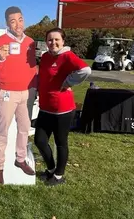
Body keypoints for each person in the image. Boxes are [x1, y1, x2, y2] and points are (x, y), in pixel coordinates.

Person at [34, 28, 91, 186]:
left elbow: (86, 70)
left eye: (56, 39)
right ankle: (52, 168)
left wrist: (68, 82)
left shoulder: (67, 56)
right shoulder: (45, 56)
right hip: (45, 107)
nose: (53, 43)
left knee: (61, 142)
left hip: (62, 109)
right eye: (50, 40)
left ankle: (59, 175)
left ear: (63, 41)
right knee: (40, 140)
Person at [0, 6, 37, 184]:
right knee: (2, 131)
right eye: (13, 21)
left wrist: (35, 87)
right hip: (6, 92)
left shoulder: (30, 42)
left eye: (20, 19)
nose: (17, 24)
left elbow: (32, 67)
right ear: (7, 24)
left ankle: (20, 159)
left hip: (25, 92)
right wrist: (0, 57)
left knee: (24, 128)